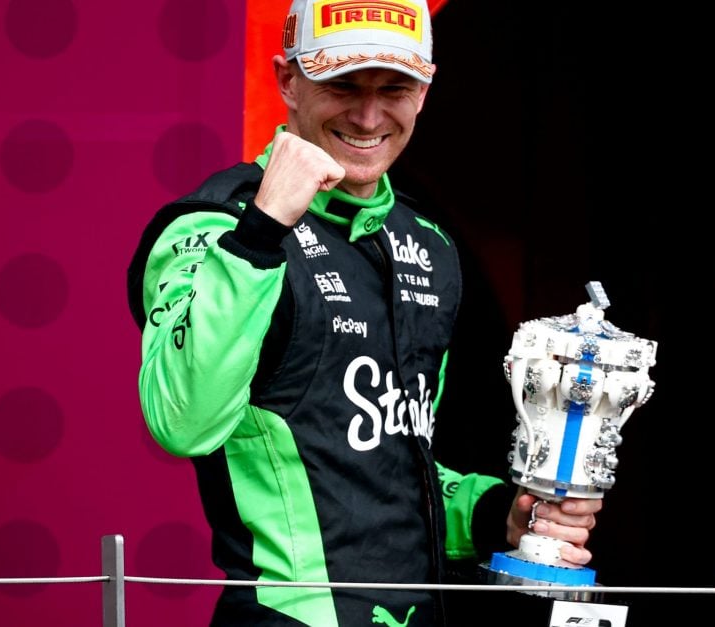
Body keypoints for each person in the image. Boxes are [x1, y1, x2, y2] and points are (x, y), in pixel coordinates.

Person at [127, 1, 602, 624]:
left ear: (425, 91)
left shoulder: (430, 244)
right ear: (288, 81)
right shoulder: (219, 223)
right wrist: (263, 229)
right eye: (343, 84)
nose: (369, 114)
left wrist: (496, 514)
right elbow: (182, 421)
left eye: (395, 88)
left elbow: (389, 458)